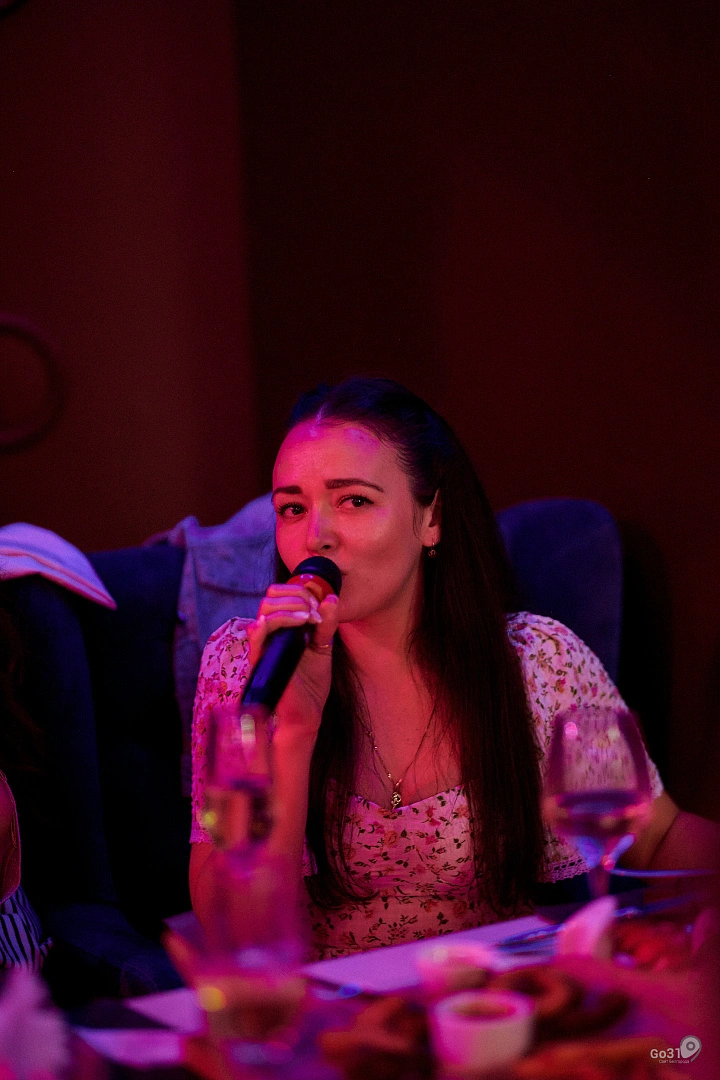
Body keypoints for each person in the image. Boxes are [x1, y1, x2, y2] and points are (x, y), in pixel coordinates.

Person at [190, 377, 717, 960]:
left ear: (431, 517)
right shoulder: (241, 663)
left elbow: (658, 837)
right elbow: (235, 933)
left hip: (496, 997)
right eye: (293, 509)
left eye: (354, 501)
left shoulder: (538, 659)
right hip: (328, 1005)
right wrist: (292, 731)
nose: (318, 537)